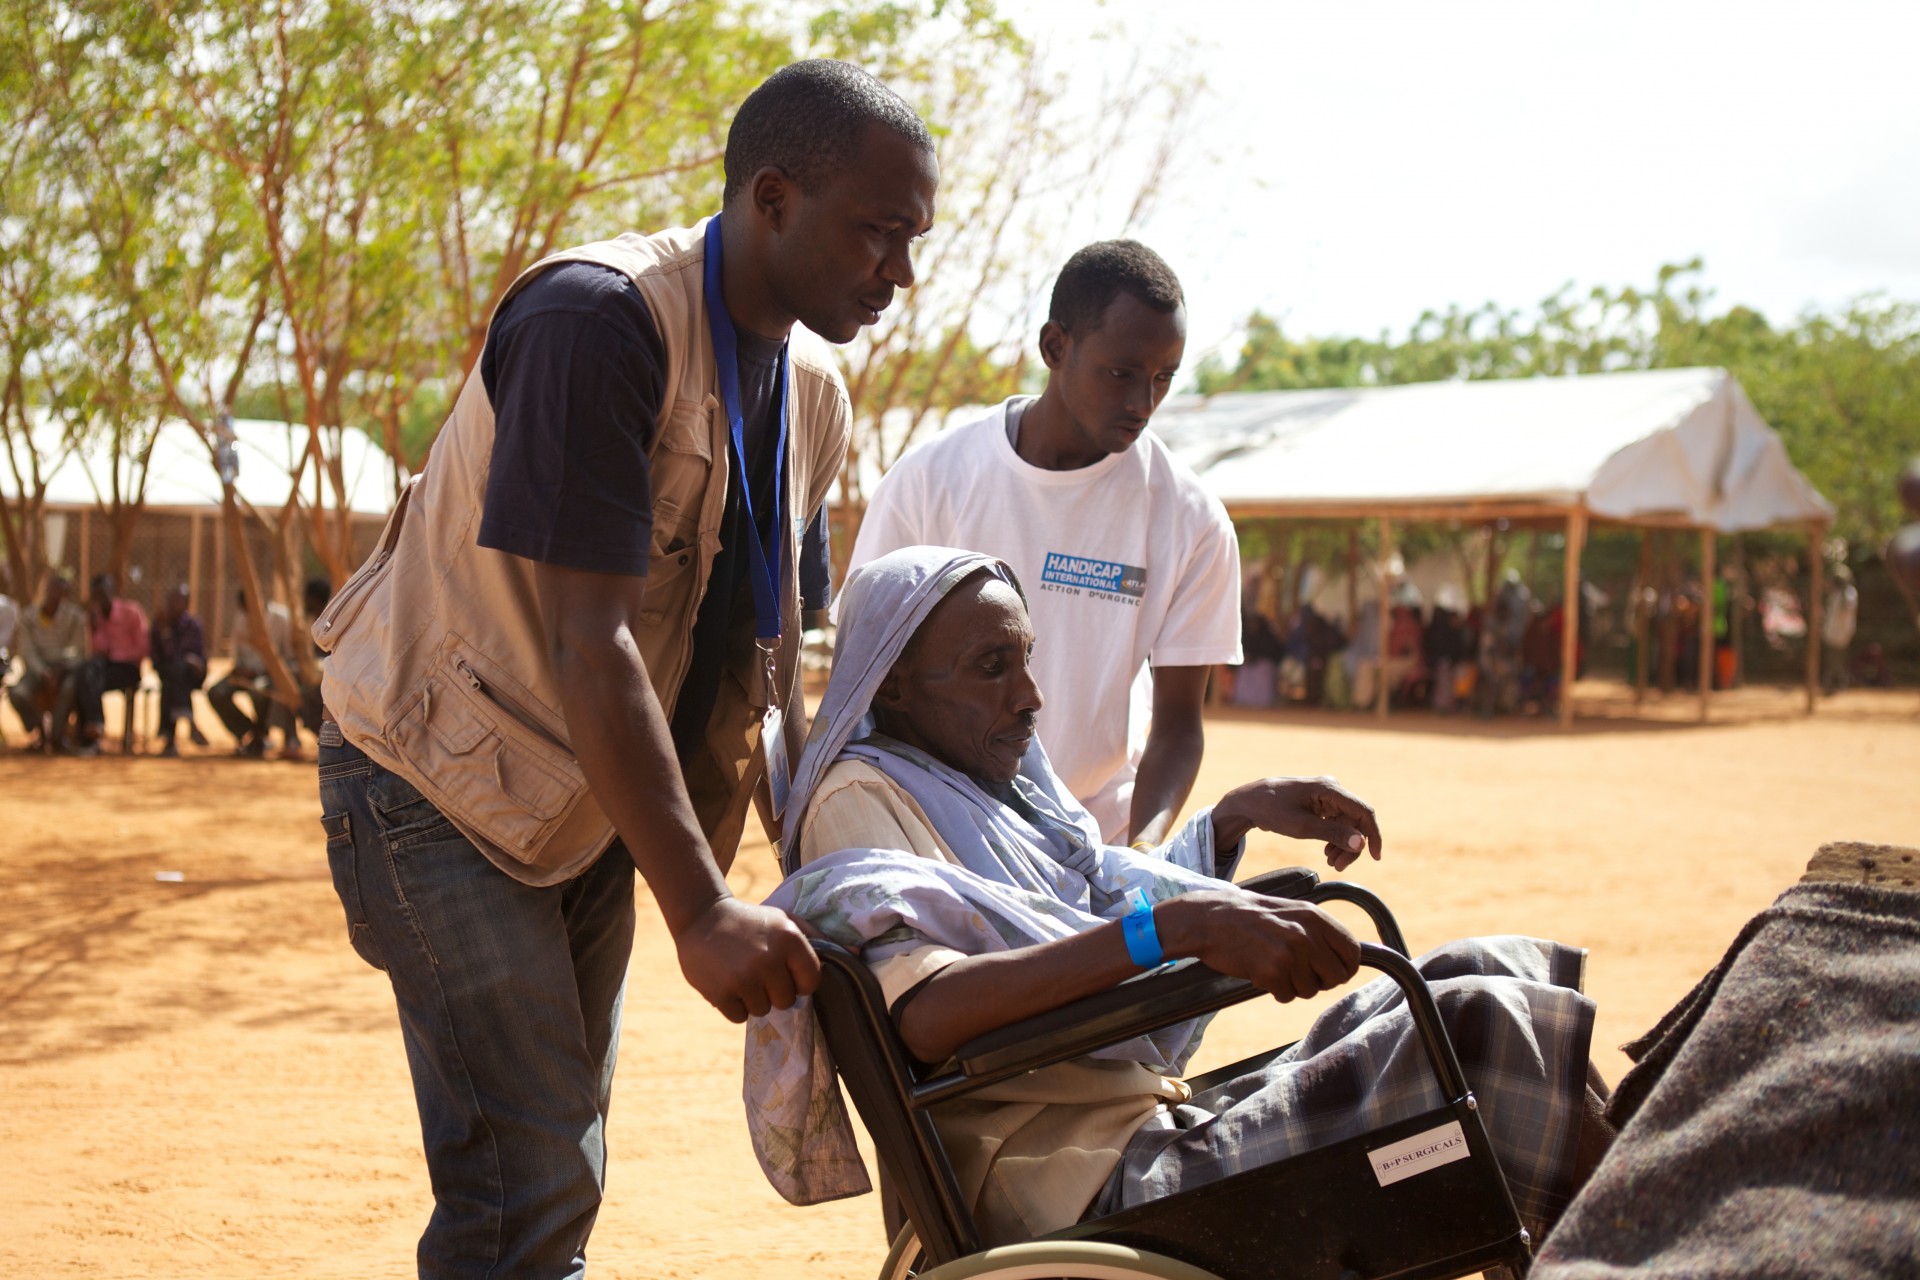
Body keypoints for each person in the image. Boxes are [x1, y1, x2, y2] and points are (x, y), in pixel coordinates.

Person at [310, 61, 937, 1278]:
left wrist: (838, 861)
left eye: (914, 241)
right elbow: (584, 636)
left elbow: (771, 656)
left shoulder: (813, 395)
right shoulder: (596, 321)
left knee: (557, 1161)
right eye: (878, 232)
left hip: (593, 805)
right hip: (430, 780)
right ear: (770, 197)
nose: (900, 273)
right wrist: (700, 907)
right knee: (528, 1177)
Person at [745, 546, 1610, 1249]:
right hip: (1073, 1176)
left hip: (1133, 1118)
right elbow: (927, 1014)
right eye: (991, 667)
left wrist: (1227, 824)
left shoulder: (974, 780)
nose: (1031, 696)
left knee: (1482, 971)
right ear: (891, 686)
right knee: (1477, 1026)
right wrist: (1176, 929)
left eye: (1027, 662)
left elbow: (1085, 898)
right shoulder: (864, 798)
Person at [847, 241, 1241, 844]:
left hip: (1097, 835)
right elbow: (866, 677)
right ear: (1056, 347)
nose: (1142, 403)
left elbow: (1178, 726)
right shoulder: (932, 482)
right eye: (1121, 373)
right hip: (941, 828)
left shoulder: (1191, 519)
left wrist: (1142, 850)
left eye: (1163, 378)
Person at [67, 572, 149, 754]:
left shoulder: (132, 612)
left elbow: (142, 648)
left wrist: (115, 654)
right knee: (85, 675)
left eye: (102, 594)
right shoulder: (96, 617)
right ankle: (93, 732)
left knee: (89, 678)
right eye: (96, 595)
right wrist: (95, 629)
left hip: (128, 669)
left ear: (112, 592)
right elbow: (97, 650)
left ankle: (92, 732)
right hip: (102, 669)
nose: (99, 599)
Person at [208, 588, 295, 758]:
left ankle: (261, 735)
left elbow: (288, 655)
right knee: (216, 692)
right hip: (243, 673)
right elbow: (236, 650)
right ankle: (249, 731)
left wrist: (265, 670)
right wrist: (239, 669)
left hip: (269, 674)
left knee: (259, 692)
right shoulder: (241, 617)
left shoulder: (280, 618)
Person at [7, 576, 86, 749]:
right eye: (52, 590)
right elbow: (26, 651)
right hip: (37, 671)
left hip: (64, 671)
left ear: (67, 596)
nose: (55, 596)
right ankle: (40, 729)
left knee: (70, 689)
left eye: (60, 592)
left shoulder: (76, 619)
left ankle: (57, 737)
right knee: (17, 693)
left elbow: (79, 652)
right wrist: (44, 672)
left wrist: (60, 670)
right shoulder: (28, 617)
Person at [148, 584, 209, 756]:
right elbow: (162, 657)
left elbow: (201, 658)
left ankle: (167, 735)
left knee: (176, 675)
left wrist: (192, 662)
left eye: (178, 601)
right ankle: (188, 719)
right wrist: (165, 633)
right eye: (170, 600)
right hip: (167, 672)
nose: (173, 604)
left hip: (192, 674)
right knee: (174, 674)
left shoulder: (194, 625)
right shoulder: (159, 624)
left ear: (186, 604)